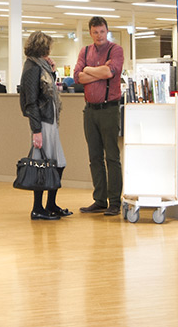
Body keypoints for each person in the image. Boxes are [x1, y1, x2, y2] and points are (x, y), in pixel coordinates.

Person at [74, 16, 124, 218]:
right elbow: (78, 76)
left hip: (109, 109)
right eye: (95, 32)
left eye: (102, 31)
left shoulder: (116, 50)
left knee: (111, 156)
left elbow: (110, 72)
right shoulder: (85, 51)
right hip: (90, 111)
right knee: (94, 157)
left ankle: (115, 202)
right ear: (90, 33)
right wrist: (98, 72)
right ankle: (100, 200)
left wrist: (89, 70)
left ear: (107, 31)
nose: (99, 35)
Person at [19, 31, 69, 219]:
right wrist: (36, 130)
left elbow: (46, 90)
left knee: (57, 163)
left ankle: (50, 204)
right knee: (43, 164)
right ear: (42, 47)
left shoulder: (41, 66)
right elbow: (31, 101)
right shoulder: (32, 67)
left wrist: (53, 71)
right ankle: (38, 208)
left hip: (50, 121)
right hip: (43, 123)